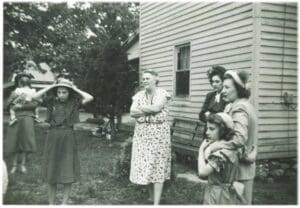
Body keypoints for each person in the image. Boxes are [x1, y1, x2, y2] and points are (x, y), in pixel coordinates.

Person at [33, 78, 93, 205]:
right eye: (59, 92)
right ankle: (51, 203)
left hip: (68, 136)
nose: (61, 95)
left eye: (64, 92)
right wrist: (51, 87)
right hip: (53, 135)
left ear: (69, 93)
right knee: (52, 170)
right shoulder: (51, 102)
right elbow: (35, 96)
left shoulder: (74, 102)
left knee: (67, 168)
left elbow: (89, 97)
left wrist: (74, 88)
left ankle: (64, 203)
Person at [205, 70, 258, 204]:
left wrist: (215, 146)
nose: (223, 91)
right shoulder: (246, 106)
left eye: (227, 87)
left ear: (239, 89)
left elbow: (240, 138)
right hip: (243, 169)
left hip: (238, 172)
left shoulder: (239, 108)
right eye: (223, 87)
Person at [129, 70, 171, 205]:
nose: (144, 81)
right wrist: (151, 110)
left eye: (147, 78)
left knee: (157, 165)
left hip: (159, 136)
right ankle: (151, 197)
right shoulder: (139, 95)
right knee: (146, 165)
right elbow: (132, 111)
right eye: (143, 79)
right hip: (142, 136)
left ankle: (156, 204)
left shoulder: (162, 93)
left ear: (155, 79)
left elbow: (157, 107)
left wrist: (142, 111)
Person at [198, 113, 244, 204]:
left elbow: (202, 173)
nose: (207, 132)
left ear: (223, 131)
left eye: (212, 129)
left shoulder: (220, 154)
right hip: (229, 194)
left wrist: (201, 150)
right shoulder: (233, 148)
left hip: (217, 196)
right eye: (207, 128)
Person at [4, 72, 39, 174]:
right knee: (15, 140)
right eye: (22, 80)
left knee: (25, 141)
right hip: (16, 118)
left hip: (28, 117)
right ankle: (14, 165)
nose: (24, 82)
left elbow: (36, 105)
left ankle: (22, 164)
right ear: (19, 82)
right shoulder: (15, 92)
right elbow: (7, 105)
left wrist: (23, 105)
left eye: (27, 80)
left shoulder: (33, 92)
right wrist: (15, 100)